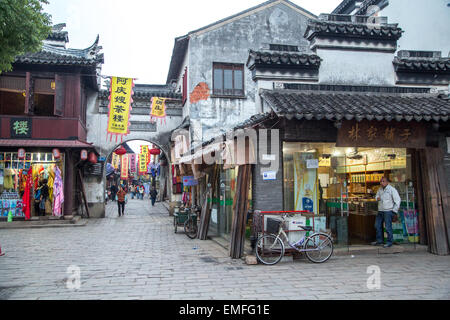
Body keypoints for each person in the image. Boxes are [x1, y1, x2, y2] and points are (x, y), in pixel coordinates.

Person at [372, 176, 401, 248]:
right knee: (377, 225)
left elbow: (398, 200)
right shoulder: (380, 189)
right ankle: (379, 240)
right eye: (381, 181)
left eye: (383, 181)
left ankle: (389, 242)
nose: (381, 183)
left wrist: (394, 211)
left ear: (387, 182)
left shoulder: (392, 190)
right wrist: (377, 198)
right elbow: (376, 196)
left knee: (388, 227)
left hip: (388, 211)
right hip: (380, 210)